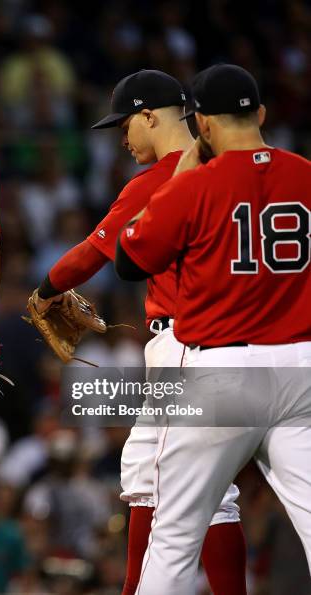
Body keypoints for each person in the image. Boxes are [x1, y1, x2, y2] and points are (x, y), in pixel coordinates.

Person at [31, 69, 246, 594]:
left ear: (150, 115)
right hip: (242, 340)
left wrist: (44, 291)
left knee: (177, 483)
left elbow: (90, 254)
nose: (122, 139)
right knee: (162, 479)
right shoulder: (229, 169)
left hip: (189, 343)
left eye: (125, 125)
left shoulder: (159, 180)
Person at [115, 64, 311, 594]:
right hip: (301, 369)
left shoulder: (197, 186)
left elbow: (131, 258)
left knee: (175, 535)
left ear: (201, 125)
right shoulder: (307, 175)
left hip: (222, 370)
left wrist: (179, 182)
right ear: (262, 114)